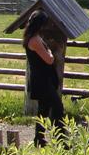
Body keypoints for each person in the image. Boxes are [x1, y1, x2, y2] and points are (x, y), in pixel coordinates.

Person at [22, 9, 65, 146]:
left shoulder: (34, 37)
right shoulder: (34, 40)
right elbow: (49, 59)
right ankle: (61, 139)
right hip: (42, 80)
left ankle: (38, 138)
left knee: (43, 109)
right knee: (57, 108)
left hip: (42, 79)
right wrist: (51, 52)